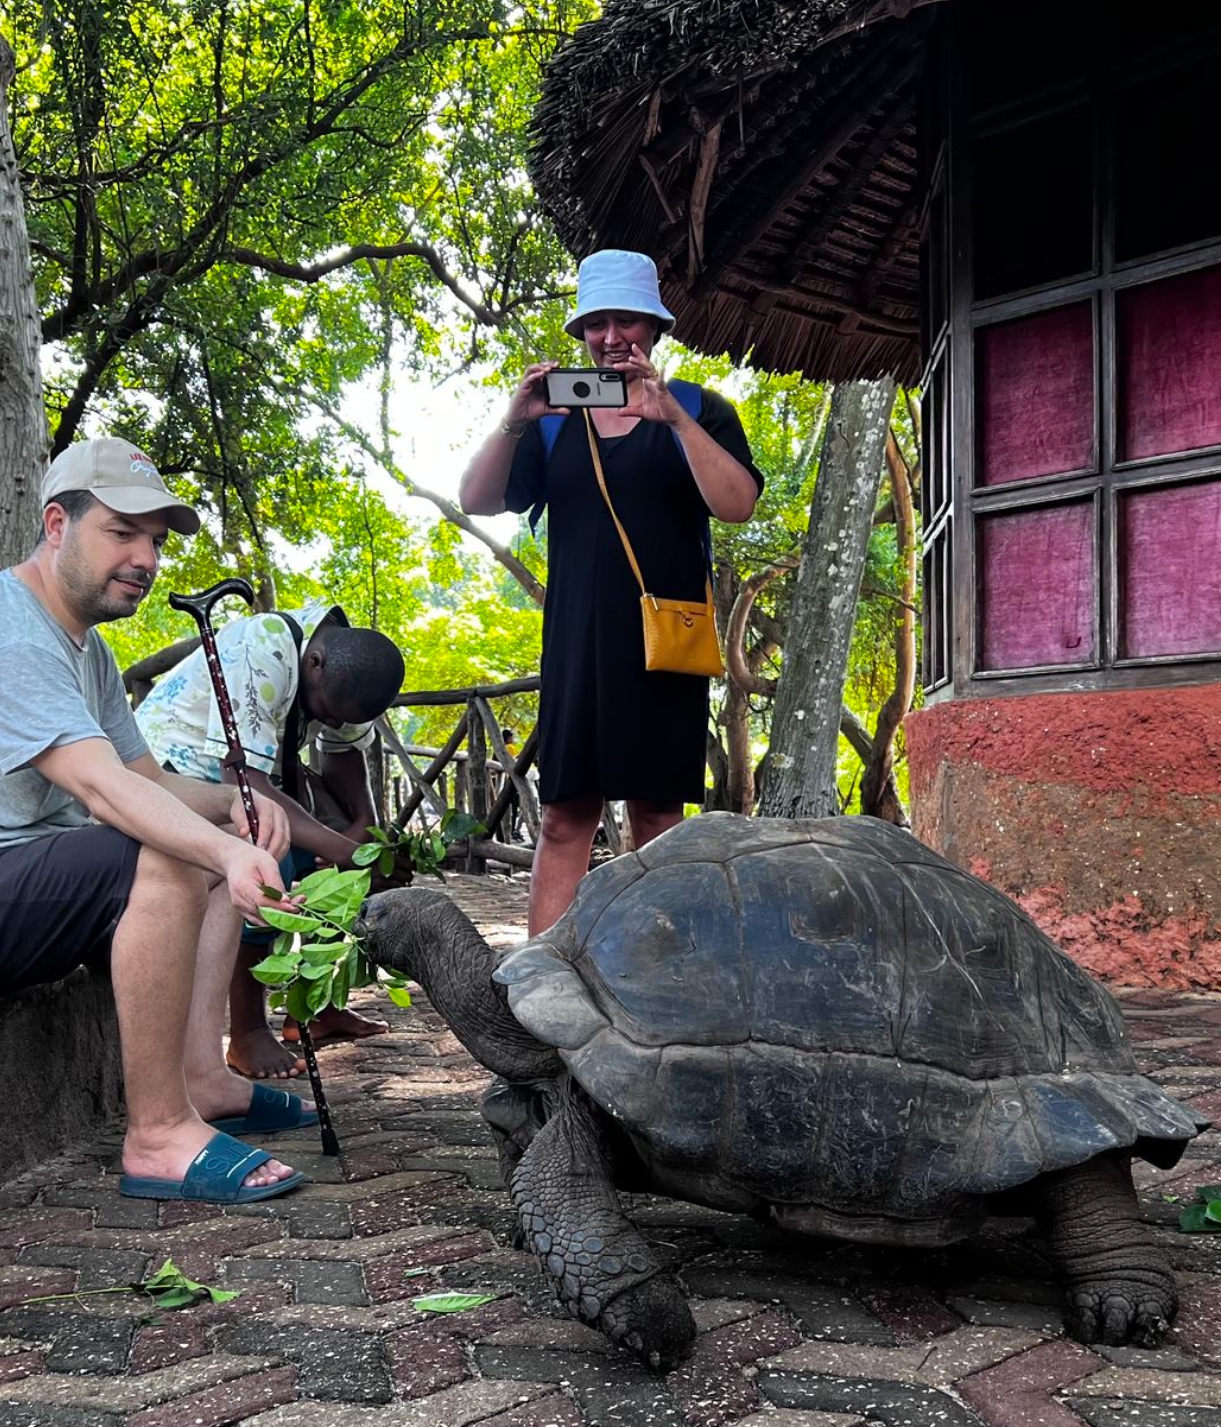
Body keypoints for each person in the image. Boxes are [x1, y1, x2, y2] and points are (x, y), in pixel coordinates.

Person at [0, 437, 312, 1205]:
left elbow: (147, 780)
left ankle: (204, 1080)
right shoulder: (3, 631)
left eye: (155, 541)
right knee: (164, 855)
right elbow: (100, 790)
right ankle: (157, 1135)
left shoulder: (85, 650)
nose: (144, 557)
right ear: (57, 524)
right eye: (121, 532)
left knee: (202, 842)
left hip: (1, 879)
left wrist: (234, 807)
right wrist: (218, 850)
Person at [457, 249, 763, 936]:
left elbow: (737, 503)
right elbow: (476, 498)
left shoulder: (697, 409)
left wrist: (672, 421)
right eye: (596, 322)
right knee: (566, 816)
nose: (611, 335)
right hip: (575, 647)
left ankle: (657, 978)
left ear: (653, 328)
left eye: (626, 319)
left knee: (656, 819)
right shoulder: (552, 421)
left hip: (661, 648)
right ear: (581, 334)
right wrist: (515, 416)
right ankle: (540, 987)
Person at [137, 602, 406, 1079]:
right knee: (269, 864)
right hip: (179, 773)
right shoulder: (262, 649)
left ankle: (318, 1007)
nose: (328, 723)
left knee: (337, 864)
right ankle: (246, 1033)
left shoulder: (352, 674)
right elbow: (248, 789)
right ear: (313, 663)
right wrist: (345, 849)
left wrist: (363, 825)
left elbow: (342, 755)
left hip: (258, 783)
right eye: (324, 712)